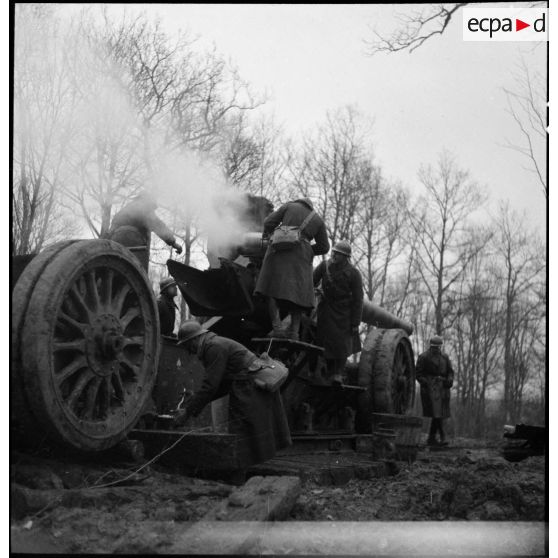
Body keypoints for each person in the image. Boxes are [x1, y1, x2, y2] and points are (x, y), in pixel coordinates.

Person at [173, 320, 292, 465]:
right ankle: (245, 466)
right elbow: (220, 385)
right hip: (248, 385)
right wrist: (194, 402)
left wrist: (187, 412)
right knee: (250, 431)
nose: (189, 351)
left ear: (196, 339)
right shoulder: (214, 344)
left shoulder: (213, 347)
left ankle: (240, 470)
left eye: (187, 345)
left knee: (243, 430)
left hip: (250, 387)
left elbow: (211, 385)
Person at [255, 197, 329, 340]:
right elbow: (324, 247)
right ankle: (294, 333)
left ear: (300, 202)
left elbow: (268, 222)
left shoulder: (289, 206)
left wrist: (271, 234)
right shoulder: (318, 220)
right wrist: (307, 248)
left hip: (279, 251)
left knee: (271, 289)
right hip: (303, 257)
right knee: (298, 295)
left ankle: (277, 328)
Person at [313, 240, 364, 384]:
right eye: (334, 252)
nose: (334, 255)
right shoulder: (324, 266)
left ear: (346, 257)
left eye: (338, 254)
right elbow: (312, 281)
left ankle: (338, 373)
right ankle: (329, 372)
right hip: (326, 310)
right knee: (326, 342)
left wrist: (355, 322)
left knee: (342, 344)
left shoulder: (354, 274)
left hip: (344, 313)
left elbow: (358, 299)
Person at [107, 191, 182, 270]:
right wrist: (173, 243)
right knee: (139, 270)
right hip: (134, 243)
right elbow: (158, 225)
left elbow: (111, 230)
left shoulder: (124, 210)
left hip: (115, 244)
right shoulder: (144, 208)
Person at [416, 335, 455, 446]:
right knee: (437, 413)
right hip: (430, 390)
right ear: (430, 346)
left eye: (438, 347)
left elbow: (450, 372)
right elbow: (418, 374)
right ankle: (442, 437)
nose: (436, 349)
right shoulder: (423, 357)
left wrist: (449, 381)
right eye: (434, 347)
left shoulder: (445, 357)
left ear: (440, 347)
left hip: (443, 388)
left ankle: (431, 438)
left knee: (439, 414)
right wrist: (427, 383)